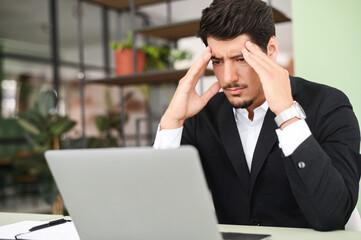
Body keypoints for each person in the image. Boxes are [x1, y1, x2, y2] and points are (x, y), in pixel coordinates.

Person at [153, 0, 361, 231]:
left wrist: (287, 115)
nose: (228, 77)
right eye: (217, 62)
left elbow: (332, 215)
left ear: (270, 50)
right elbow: (161, 210)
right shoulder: (203, 115)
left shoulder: (328, 105)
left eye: (240, 59)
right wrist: (172, 121)